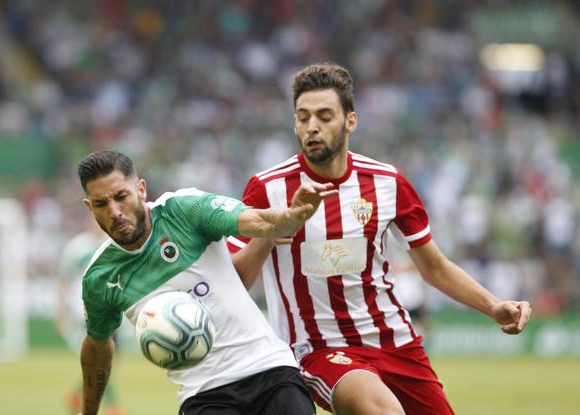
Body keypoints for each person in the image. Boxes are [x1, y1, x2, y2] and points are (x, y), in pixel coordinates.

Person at [227, 63, 532, 415]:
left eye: (325, 116)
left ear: (350, 121)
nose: (312, 127)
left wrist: (493, 307)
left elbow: (433, 267)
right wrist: (273, 231)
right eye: (303, 117)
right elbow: (238, 278)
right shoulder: (269, 188)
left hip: (396, 342)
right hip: (320, 348)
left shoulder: (388, 183)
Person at [76, 149, 337, 415]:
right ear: (89, 207)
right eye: (101, 204)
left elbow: (255, 219)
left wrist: (288, 218)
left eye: (121, 197)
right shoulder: (101, 277)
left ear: (141, 189)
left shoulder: (183, 210)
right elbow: (98, 346)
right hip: (203, 394)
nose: (115, 211)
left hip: (271, 371)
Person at [55, 218, 124, 415]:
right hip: (83, 310)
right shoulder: (77, 247)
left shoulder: (113, 244)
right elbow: (64, 280)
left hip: (111, 309)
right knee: (101, 357)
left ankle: (77, 395)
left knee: (108, 359)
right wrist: (61, 312)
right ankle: (113, 406)